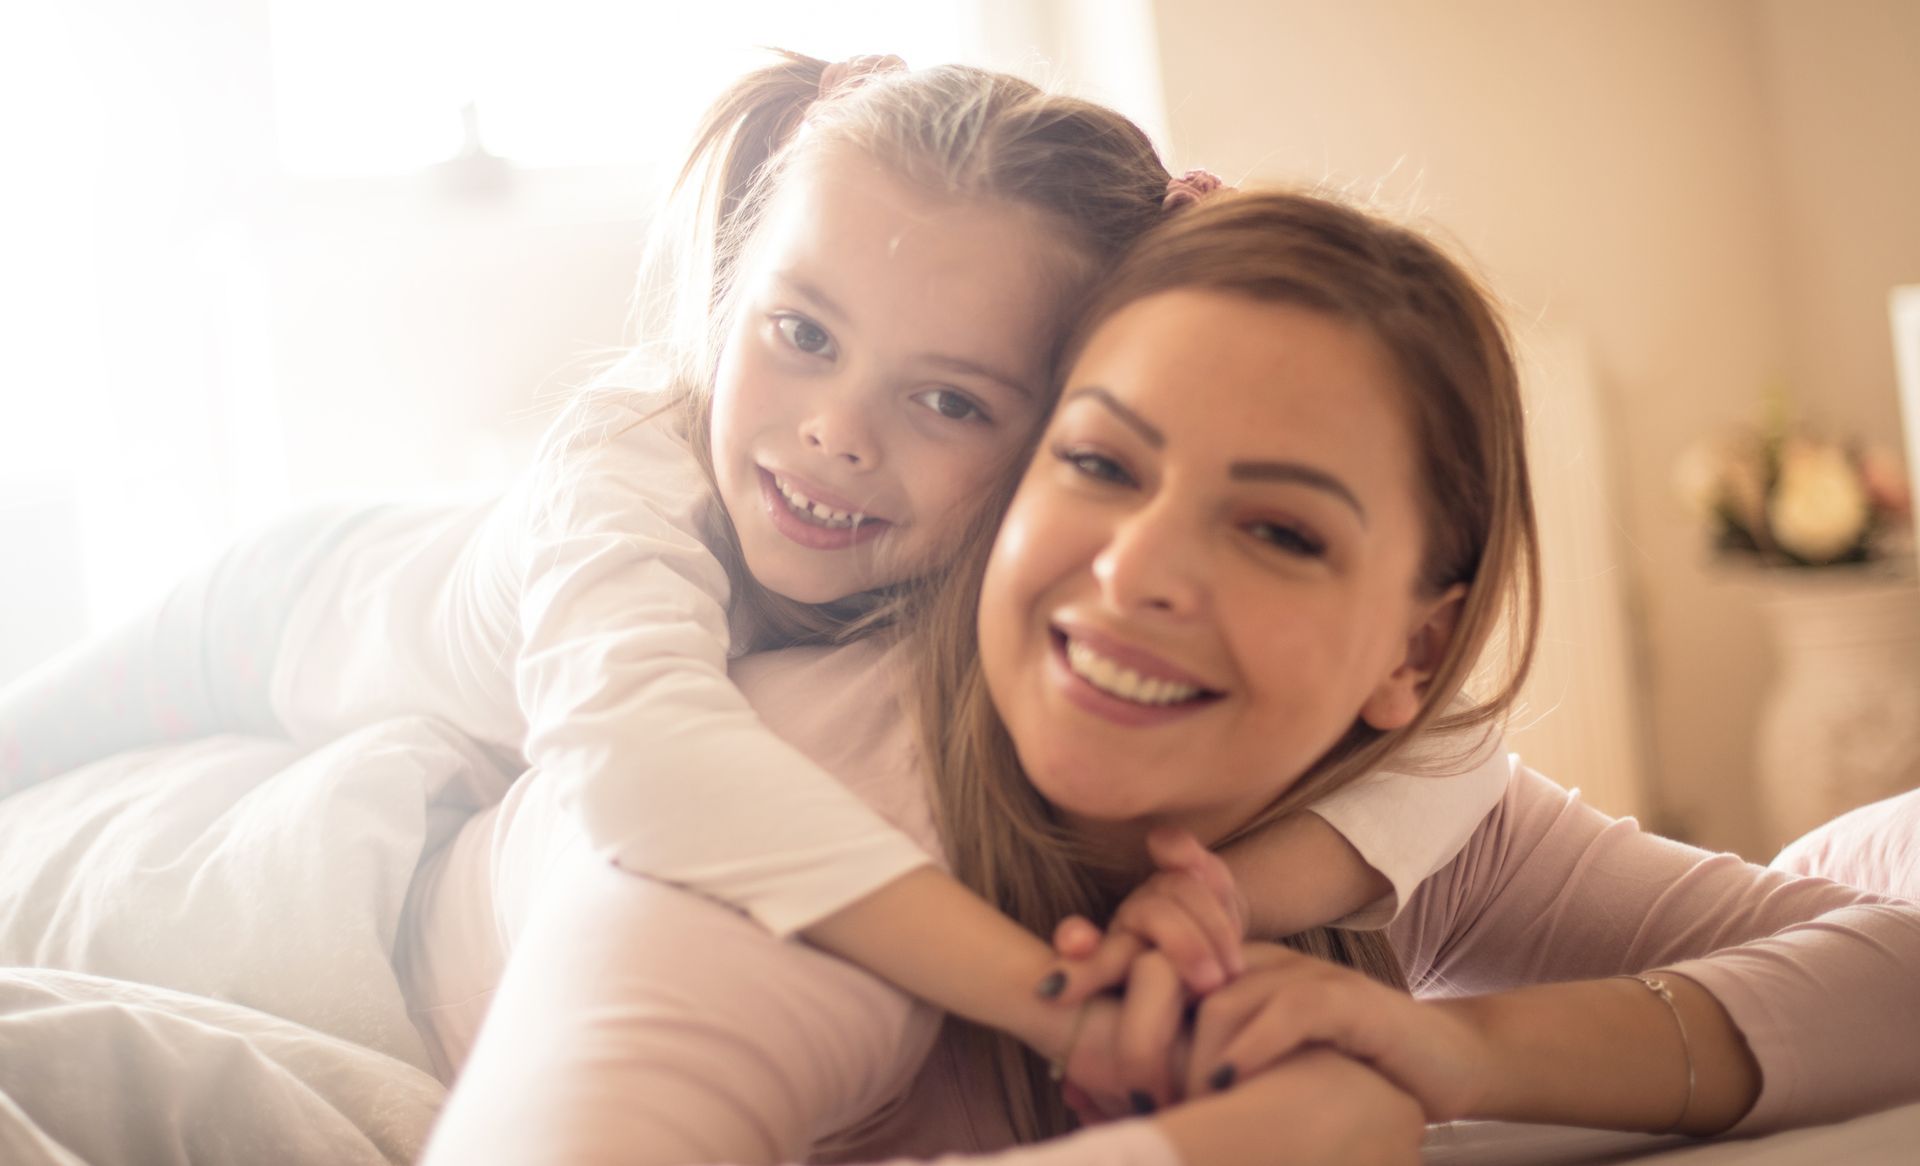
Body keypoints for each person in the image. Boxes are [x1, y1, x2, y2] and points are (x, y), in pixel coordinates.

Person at [0, 55, 1513, 1063]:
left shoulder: (1018, 560)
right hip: (273, 614)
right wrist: (1054, 993)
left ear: (1050, 429)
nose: (834, 435)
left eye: (947, 399)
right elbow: (650, 765)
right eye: (798, 336)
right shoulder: (624, 475)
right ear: (728, 305)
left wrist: (1231, 891)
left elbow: (1461, 740)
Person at [413, 188, 1920, 1165]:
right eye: (1098, 461)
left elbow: (1892, 971)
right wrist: (1277, 1137)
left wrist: (1453, 1044)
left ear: (1411, 650)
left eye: (1276, 527)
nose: (1136, 567)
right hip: (331, 847)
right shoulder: (811, 812)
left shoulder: (1384, 812)